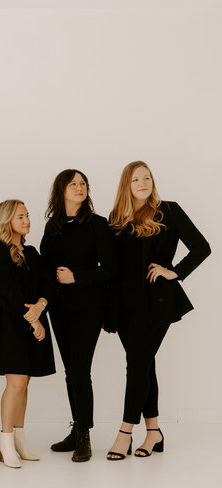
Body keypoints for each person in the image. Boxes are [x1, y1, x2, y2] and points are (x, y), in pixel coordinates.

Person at [105, 161, 210, 460]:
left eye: (147, 177)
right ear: (127, 185)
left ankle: (125, 431)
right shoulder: (117, 219)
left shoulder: (170, 210)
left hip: (157, 302)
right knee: (143, 362)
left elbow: (202, 247)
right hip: (125, 304)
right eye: (136, 179)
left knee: (136, 364)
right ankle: (154, 432)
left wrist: (173, 271)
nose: (143, 183)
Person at [40, 170, 116, 463]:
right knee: (71, 370)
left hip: (88, 307)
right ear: (61, 190)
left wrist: (78, 278)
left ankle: (85, 434)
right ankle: (76, 427)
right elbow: (46, 268)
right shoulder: (53, 226)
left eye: (83, 184)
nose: (80, 188)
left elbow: (110, 269)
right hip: (60, 309)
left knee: (81, 370)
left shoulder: (98, 225)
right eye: (73, 184)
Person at [0, 199, 55, 469]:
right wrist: (33, 319)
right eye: (20, 216)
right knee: (16, 384)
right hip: (9, 326)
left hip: (32, 321)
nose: (27, 220)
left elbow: (47, 285)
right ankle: (5, 442)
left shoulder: (32, 252)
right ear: (6, 220)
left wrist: (40, 307)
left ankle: (20, 439)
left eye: (28, 215)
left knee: (25, 385)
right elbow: (5, 291)